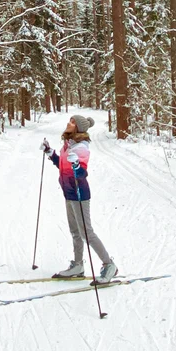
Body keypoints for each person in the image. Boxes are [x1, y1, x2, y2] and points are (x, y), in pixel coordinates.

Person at [41, 113, 118, 283]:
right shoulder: (69, 145)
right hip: (68, 192)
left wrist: (77, 165)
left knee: (86, 232)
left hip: (79, 194)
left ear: (78, 128)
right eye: (70, 120)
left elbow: (82, 173)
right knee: (75, 232)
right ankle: (77, 266)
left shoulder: (81, 148)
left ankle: (109, 264)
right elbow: (62, 164)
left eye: (72, 121)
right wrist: (50, 152)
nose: (69, 123)